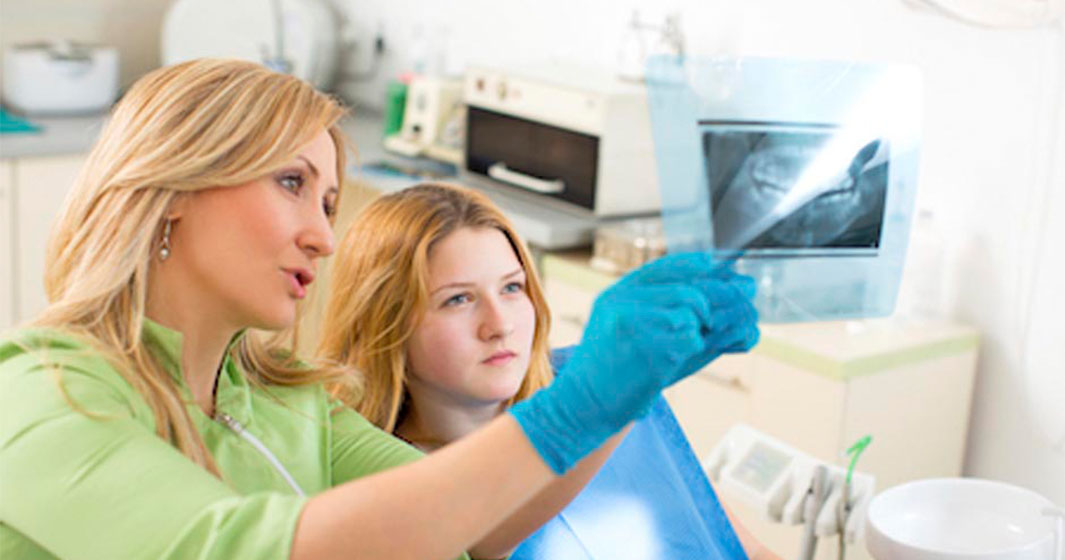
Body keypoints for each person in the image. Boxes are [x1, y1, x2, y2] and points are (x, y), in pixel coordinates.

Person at [0, 59, 759, 560]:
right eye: (291, 184)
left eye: (329, 203)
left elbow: (473, 531)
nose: (323, 237)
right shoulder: (41, 393)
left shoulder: (283, 398)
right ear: (174, 187)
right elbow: (248, 548)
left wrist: (617, 401)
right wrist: (579, 403)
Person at [316, 183, 778, 559]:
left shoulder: (597, 376)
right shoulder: (381, 481)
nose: (499, 325)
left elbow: (746, 550)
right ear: (385, 322)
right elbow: (482, 538)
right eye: (458, 299)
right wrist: (608, 406)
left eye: (512, 288)